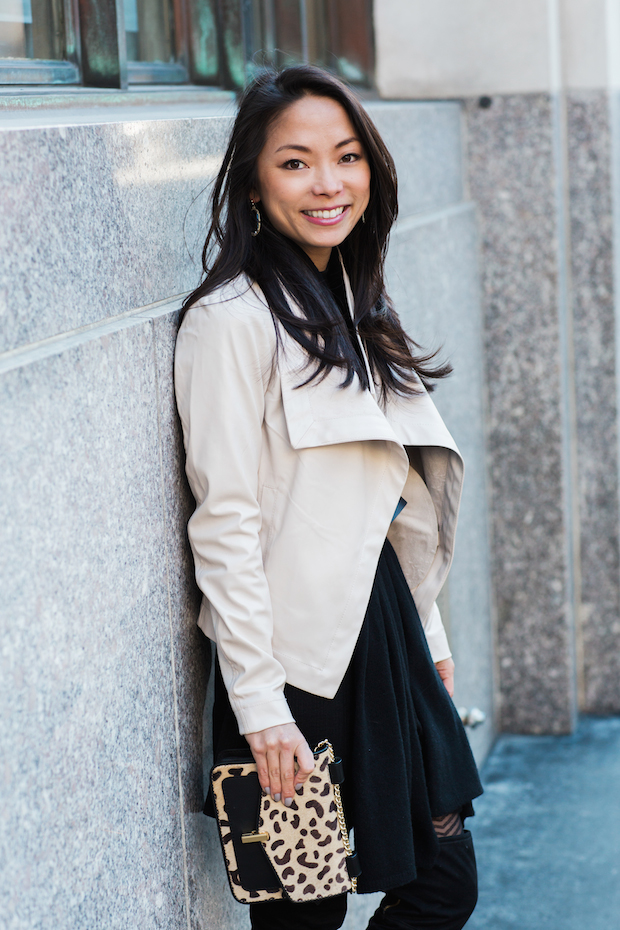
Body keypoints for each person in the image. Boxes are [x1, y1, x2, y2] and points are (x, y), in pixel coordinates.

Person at [174, 65, 483, 930]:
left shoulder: (357, 304)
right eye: (296, 162)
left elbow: (386, 503)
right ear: (252, 182)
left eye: (346, 157)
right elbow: (224, 522)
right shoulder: (230, 322)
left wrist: (429, 632)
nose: (328, 184)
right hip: (295, 661)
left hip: (384, 632)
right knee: (304, 915)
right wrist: (260, 707)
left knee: (442, 880)